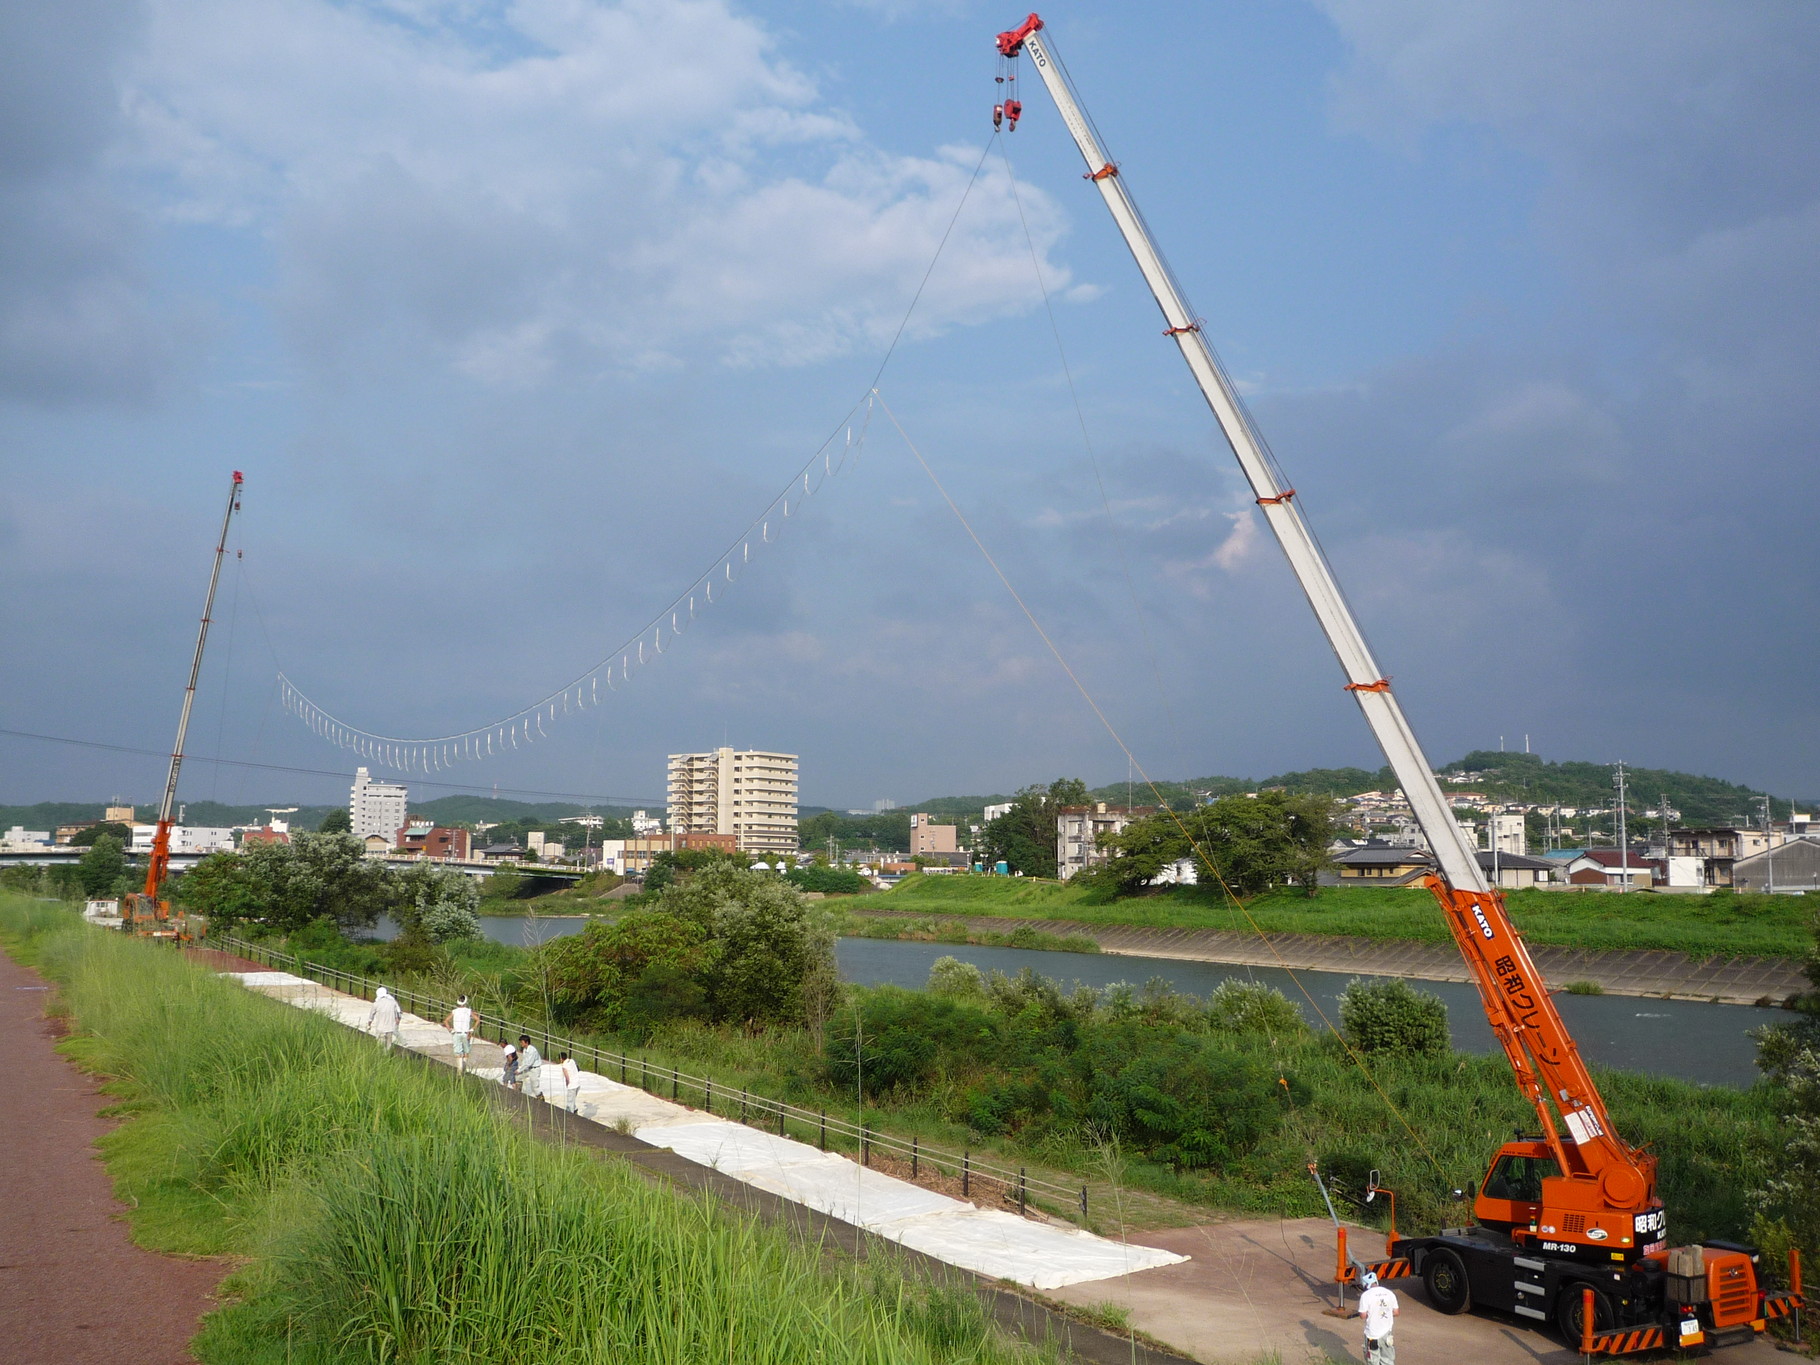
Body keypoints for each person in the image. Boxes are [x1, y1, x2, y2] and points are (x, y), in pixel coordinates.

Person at [1358, 1270, 1399, 1365]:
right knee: (1388, 1360)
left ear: (1366, 1285)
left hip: (1372, 1335)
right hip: (1387, 1333)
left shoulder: (1366, 1295)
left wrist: (1372, 1313)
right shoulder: (1389, 1293)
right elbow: (1396, 1312)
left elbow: (1362, 1315)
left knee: (1373, 1361)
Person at [442, 996, 475, 1074]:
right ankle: (464, 1069)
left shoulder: (454, 1011)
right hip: (466, 1033)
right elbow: (478, 1019)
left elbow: (445, 1021)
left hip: (456, 1033)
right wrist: (472, 1029)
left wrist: (450, 1030)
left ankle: (459, 1071)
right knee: (466, 1052)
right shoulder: (469, 1011)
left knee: (458, 1053)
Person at [365, 986, 402, 1050]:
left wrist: (369, 1024)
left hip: (380, 1028)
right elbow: (398, 1014)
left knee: (380, 1047)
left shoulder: (376, 1004)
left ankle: (381, 1058)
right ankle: (387, 1057)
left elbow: (371, 1017)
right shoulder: (393, 1003)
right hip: (390, 1028)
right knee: (388, 1047)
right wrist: (397, 1021)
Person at [517, 1035, 543, 1099]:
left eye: (522, 1042)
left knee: (534, 1087)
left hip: (534, 1070)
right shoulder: (525, 1050)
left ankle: (541, 1099)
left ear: (527, 1042)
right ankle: (517, 1093)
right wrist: (520, 1069)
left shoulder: (532, 1050)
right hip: (528, 1069)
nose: (521, 1044)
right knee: (518, 1077)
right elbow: (524, 1061)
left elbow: (529, 1063)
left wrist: (519, 1070)